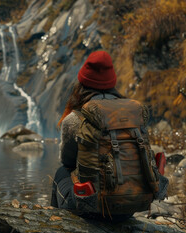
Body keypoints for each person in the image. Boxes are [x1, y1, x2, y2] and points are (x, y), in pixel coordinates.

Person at [50, 50, 167, 221]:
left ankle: (56, 228)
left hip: (93, 208)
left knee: (61, 172)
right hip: (131, 206)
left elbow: (67, 161)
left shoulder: (75, 118)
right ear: (112, 82)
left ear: (82, 83)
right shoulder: (134, 114)